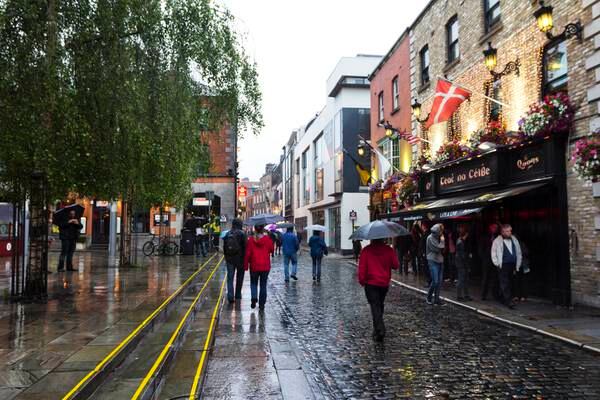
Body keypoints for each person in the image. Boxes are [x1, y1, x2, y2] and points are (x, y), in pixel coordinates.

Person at [357, 238, 400, 342]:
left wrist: (362, 281)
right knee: (379, 304)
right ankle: (377, 328)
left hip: (370, 283)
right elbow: (395, 265)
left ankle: (380, 329)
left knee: (375, 305)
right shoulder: (388, 250)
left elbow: (362, 267)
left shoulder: (366, 251)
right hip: (384, 283)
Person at [491, 224, 522, 309]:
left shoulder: (514, 239)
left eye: (510, 231)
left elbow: (518, 251)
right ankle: (508, 301)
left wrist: (518, 264)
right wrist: (497, 263)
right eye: (508, 231)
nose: (510, 232)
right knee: (505, 282)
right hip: (503, 264)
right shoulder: (497, 241)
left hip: (512, 264)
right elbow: (493, 253)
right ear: (503, 232)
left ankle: (503, 297)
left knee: (510, 282)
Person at [244, 224, 274, 310]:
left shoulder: (250, 240)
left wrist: (246, 265)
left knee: (253, 283)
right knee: (263, 285)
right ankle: (262, 304)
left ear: (255, 229)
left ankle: (254, 297)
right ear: (262, 229)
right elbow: (272, 250)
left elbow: (247, 254)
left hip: (254, 266)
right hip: (265, 266)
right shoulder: (267, 239)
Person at [223, 219, 247, 304]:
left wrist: (226, 257)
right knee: (239, 278)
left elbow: (224, 248)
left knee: (230, 278)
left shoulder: (227, 234)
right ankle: (237, 294)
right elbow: (245, 247)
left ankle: (230, 296)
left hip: (230, 259)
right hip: (240, 259)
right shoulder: (242, 234)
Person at [426, 223, 445, 305]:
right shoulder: (430, 238)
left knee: (439, 282)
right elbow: (438, 249)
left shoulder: (438, 237)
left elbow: (443, 249)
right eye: (441, 230)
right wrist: (442, 241)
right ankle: (429, 297)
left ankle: (436, 299)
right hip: (432, 261)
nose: (442, 232)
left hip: (440, 261)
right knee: (435, 281)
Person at [480, 223, 500, 301]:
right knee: (486, 278)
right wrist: (483, 257)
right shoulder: (485, 236)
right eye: (493, 227)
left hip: (495, 260)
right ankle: (483, 294)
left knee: (495, 278)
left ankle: (495, 294)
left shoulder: (498, 237)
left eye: (496, 228)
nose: (494, 229)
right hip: (487, 260)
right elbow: (481, 248)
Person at [455, 225, 473, 301]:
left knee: (464, 279)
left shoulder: (460, 241)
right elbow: (462, 255)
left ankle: (465, 295)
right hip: (462, 263)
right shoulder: (461, 242)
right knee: (462, 279)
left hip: (461, 262)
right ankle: (460, 296)